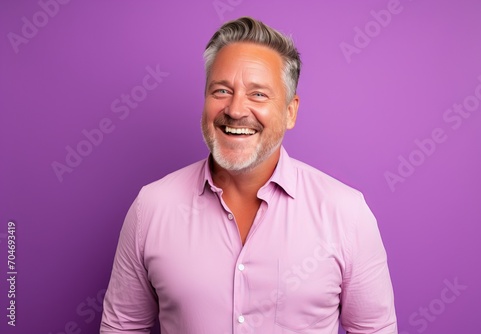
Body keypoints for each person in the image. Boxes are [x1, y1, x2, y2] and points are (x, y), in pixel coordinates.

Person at [100, 16, 397, 334]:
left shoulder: (347, 213)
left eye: (258, 94)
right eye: (221, 90)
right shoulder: (152, 206)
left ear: (290, 111)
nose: (236, 109)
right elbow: (123, 328)